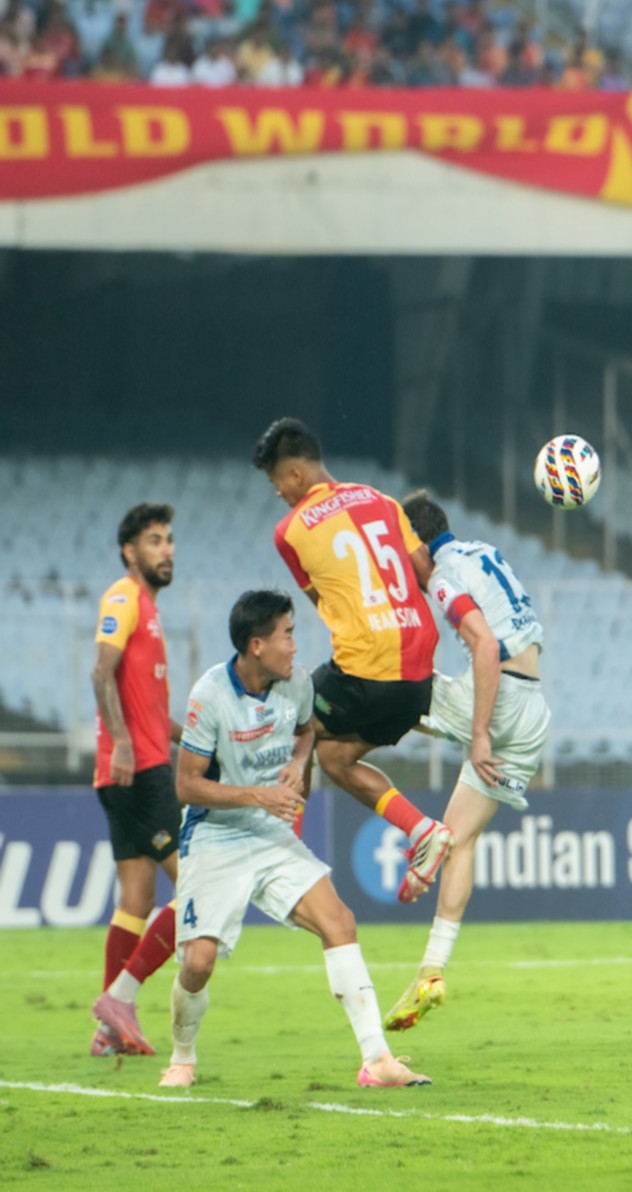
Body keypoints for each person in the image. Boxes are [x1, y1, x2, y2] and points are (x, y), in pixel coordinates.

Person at [161, 590, 428, 1089]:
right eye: (287, 634)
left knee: (339, 922)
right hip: (215, 834)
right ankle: (182, 1057)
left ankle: (377, 1061)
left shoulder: (297, 683)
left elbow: (305, 731)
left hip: (269, 833)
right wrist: (260, 797)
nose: (294, 645)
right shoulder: (210, 694)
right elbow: (187, 785)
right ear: (257, 645)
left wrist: (299, 761)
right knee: (197, 963)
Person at [252, 417, 452, 903]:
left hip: (367, 667)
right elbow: (425, 572)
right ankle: (422, 829)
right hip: (419, 673)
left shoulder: (290, 531)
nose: (277, 491)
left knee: (289, 718)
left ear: (296, 475)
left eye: (276, 480)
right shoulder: (382, 500)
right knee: (334, 755)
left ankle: (287, 857)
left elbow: (324, 599)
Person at [383, 492, 551, 1032]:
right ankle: (431, 971)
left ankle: (329, 753)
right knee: (463, 837)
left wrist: (478, 734)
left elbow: (482, 647)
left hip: (499, 703)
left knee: (385, 688)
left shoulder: (442, 575)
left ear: (416, 541)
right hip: (533, 709)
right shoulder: (482, 551)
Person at [88, 503, 184, 1058]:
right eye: (154, 541)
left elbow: (148, 708)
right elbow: (101, 672)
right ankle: (121, 1000)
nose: (166, 550)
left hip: (132, 766)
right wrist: (124, 742)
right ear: (130, 551)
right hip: (137, 771)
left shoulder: (148, 607)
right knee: (195, 885)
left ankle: (109, 1028)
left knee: (137, 897)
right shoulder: (124, 597)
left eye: (169, 540)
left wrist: (193, 740)